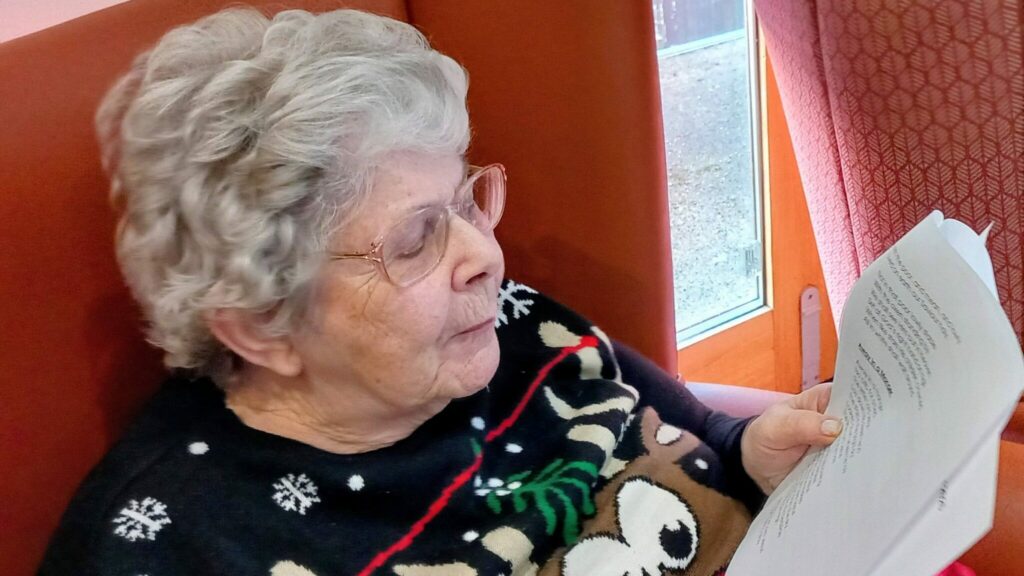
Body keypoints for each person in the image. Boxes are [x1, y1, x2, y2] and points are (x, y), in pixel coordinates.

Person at [38, 7, 843, 575]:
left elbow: (704, 437)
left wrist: (754, 456)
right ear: (260, 326)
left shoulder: (516, 330)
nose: (485, 255)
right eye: (417, 237)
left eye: (465, 202)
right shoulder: (173, 546)